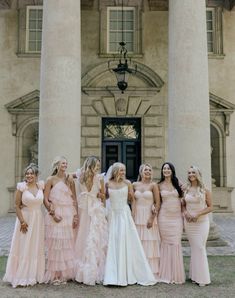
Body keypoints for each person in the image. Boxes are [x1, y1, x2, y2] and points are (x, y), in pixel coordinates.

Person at [103, 162, 156, 286]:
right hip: (112, 214)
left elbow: (132, 200)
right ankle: (112, 274)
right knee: (113, 241)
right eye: (121, 170)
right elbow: (104, 197)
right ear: (115, 171)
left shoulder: (127, 183)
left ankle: (126, 273)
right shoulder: (107, 184)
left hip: (124, 215)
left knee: (124, 241)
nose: (123, 172)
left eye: (124, 170)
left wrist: (132, 213)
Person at [3, 163, 45, 287]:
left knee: (35, 245)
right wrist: (22, 221)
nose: (29, 175)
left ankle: (34, 274)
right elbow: (16, 205)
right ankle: (21, 274)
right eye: (27, 173)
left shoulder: (40, 186)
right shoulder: (21, 187)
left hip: (38, 219)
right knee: (24, 244)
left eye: (31, 173)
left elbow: (45, 200)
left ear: (36, 175)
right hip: (25, 218)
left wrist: (52, 211)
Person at [44, 156, 78, 285]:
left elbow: (74, 198)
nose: (65, 165)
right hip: (56, 213)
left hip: (68, 214)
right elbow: (45, 199)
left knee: (66, 243)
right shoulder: (50, 180)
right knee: (56, 244)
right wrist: (52, 214)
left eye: (66, 163)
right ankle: (55, 274)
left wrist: (76, 216)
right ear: (57, 165)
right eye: (62, 163)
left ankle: (64, 274)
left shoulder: (70, 180)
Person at [74, 156, 108, 285]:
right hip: (83, 208)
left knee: (94, 235)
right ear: (90, 165)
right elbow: (67, 176)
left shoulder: (100, 178)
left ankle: (93, 267)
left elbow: (104, 196)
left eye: (99, 166)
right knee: (83, 234)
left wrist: (101, 201)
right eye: (96, 166)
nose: (98, 168)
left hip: (94, 208)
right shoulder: (80, 175)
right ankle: (81, 267)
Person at [183, 165, 212, 286]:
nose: (191, 175)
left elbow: (210, 207)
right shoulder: (186, 189)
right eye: (189, 173)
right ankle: (194, 275)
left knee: (200, 247)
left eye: (193, 172)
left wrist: (197, 214)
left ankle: (202, 278)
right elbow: (183, 205)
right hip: (189, 223)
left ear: (198, 174)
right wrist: (186, 213)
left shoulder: (205, 190)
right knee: (194, 248)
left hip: (202, 222)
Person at [158, 162, 185, 284]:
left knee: (175, 243)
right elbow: (156, 202)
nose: (166, 170)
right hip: (164, 217)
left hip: (176, 218)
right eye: (164, 169)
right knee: (165, 244)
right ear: (162, 171)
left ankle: (176, 274)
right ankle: (165, 274)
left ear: (172, 170)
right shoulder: (158, 185)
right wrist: (153, 207)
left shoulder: (179, 183)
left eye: (168, 168)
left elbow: (184, 200)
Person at [132, 163, 161, 278]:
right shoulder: (134, 185)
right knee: (138, 242)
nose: (147, 172)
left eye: (149, 170)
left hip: (149, 215)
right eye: (145, 170)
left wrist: (152, 218)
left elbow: (157, 203)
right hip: (137, 216)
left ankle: (150, 271)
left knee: (149, 242)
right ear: (141, 172)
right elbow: (131, 200)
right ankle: (138, 271)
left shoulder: (153, 185)